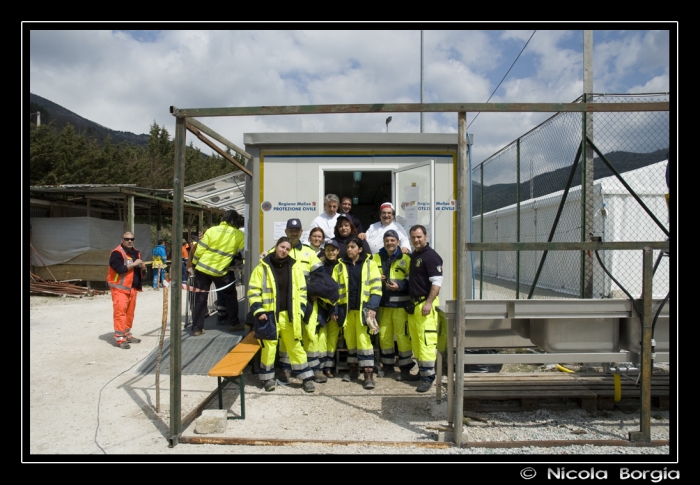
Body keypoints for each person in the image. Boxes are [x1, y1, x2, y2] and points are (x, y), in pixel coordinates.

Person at [248, 237, 316, 393]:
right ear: (276, 247)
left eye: (287, 249)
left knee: (295, 345)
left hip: (289, 315)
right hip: (269, 315)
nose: (284, 250)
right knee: (269, 348)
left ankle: (306, 378)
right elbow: (253, 290)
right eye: (282, 247)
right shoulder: (262, 267)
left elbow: (302, 291)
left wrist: (300, 311)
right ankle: (267, 378)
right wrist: (259, 310)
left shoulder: (295, 267)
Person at [266, 218, 325, 383]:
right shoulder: (278, 250)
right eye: (291, 230)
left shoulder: (309, 253)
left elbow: (320, 276)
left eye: (296, 230)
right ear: (286, 232)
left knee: (310, 333)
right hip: (285, 303)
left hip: (308, 301)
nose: (293, 233)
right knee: (287, 336)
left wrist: (314, 293)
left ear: (301, 232)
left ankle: (314, 368)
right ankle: (285, 369)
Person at [190, 210, 245, 336]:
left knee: (200, 298)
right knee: (230, 296)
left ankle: (197, 328)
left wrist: (195, 264)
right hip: (220, 271)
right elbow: (244, 252)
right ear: (235, 221)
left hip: (202, 269)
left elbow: (199, 250)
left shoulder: (211, 230)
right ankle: (233, 323)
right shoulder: (238, 234)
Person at [337, 236, 382, 389]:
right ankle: (353, 370)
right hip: (347, 310)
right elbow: (336, 290)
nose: (349, 249)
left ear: (360, 249)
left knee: (364, 341)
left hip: (364, 310)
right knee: (350, 341)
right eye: (348, 247)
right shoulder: (341, 265)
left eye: (353, 247)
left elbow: (376, 288)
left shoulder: (371, 264)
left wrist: (372, 308)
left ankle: (368, 374)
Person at [372, 229, 416, 379]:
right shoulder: (376, 257)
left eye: (392, 240)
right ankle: (388, 366)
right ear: (383, 242)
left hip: (400, 306)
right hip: (383, 305)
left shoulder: (406, 258)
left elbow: (412, 280)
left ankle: (405, 368)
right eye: (387, 240)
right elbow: (368, 276)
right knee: (384, 336)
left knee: (403, 336)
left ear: (398, 242)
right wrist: (377, 278)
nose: (390, 243)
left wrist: (400, 286)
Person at [405, 225, 443, 393]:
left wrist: (428, 302)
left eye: (419, 237)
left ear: (425, 236)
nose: (416, 240)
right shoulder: (415, 255)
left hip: (425, 306)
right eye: (413, 237)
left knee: (427, 342)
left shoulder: (431, 257)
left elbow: (437, 282)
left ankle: (428, 377)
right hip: (415, 306)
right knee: (417, 341)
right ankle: (422, 371)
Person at [107, 231, 146, 349]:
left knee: (130, 313)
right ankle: (120, 338)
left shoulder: (136, 253)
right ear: (122, 240)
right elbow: (119, 269)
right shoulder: (117, 253)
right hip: (119, 288)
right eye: (127, 239)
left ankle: (127, 334)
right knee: (120, 313)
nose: (130, 241)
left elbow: (140, 271)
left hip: (132, 288)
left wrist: (143, 268)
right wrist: (134, 264)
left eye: (132, 239)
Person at [317, 240, 344, 378]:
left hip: (336, 307)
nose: (331, 252)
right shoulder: (319, 265)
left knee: (333, 338)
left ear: (338, 251)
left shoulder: (342, 266)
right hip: (322, 306)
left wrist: (335, 308)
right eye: (328, 249)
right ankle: (320, 366)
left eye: (333, 250)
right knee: (321, 337)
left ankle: (329, 366)